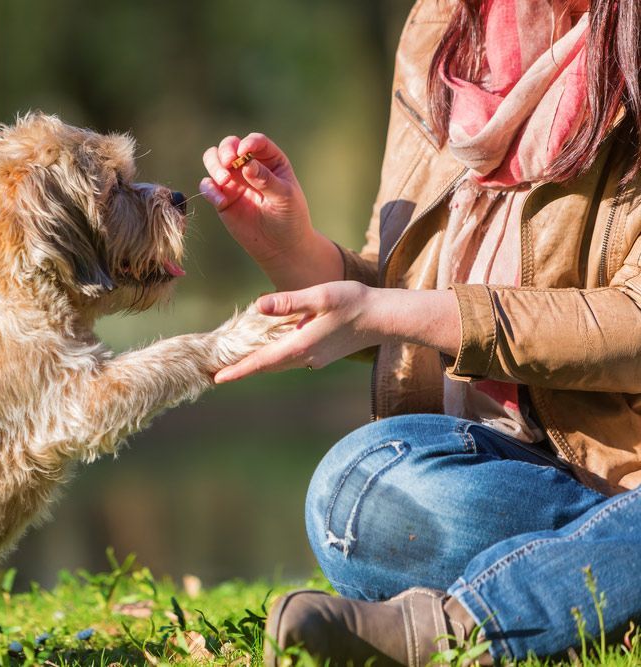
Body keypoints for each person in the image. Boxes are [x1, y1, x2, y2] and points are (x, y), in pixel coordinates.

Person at [200, 0, 641, 664]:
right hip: (509, 472)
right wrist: (294, 249)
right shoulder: (442, 27)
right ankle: (604, 570)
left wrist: (388, 311)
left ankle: (459, 626)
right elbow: (402, 284)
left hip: (622, 467)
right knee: (353, 495)